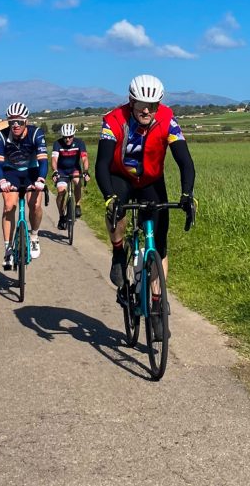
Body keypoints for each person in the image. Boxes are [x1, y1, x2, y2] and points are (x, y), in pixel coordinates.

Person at [95, 74, 196, 338]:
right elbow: (102, 163)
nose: (147, 110)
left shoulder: (167, 119)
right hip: (121, 176)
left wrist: (187, 194)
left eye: (153, 105)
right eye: (142, 105)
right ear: (131, 102)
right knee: (116, 210)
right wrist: (109, 197)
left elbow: (184, 160)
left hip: (151, 180)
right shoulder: (114, 120)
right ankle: (119, 253)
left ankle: (157, 304)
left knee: (159, 243)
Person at [0, 102, 48, 269]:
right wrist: (2, 181)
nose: (15, 125)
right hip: (11, 171)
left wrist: (41, 180)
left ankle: (34, 236)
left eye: (19, 121)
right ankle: (8, 249)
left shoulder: (36, 133)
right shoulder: (0, 136)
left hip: (32, 171)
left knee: (35, 205)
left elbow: (43, 161)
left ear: (26, 121)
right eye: (11, 122)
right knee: (9, 206)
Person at [51, 123, 90, 230]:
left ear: (74, 135)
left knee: (77, 182)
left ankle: (77, 205)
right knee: (61, 192)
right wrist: (55, 171)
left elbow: (84, 158)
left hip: (74, 169)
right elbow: (54, 159)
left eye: (70, 137)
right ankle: (61, 216)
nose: (67, 139)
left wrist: (86, 171)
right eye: (65, 137)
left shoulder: (80, 143)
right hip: (61, 171)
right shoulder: (57, 144)